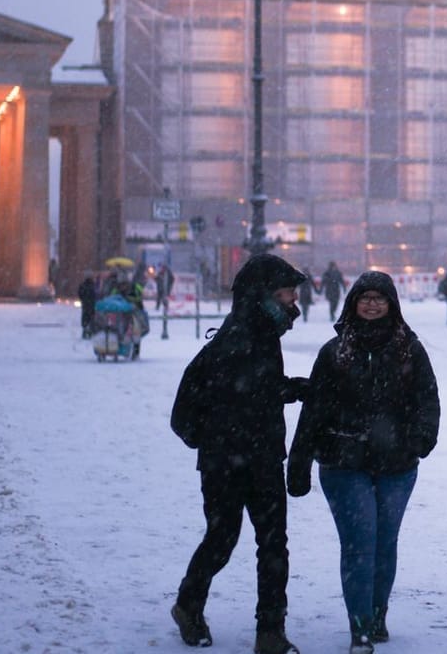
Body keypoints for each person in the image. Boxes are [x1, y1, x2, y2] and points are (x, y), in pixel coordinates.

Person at [288, 271, 440, 653]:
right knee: (359, 544)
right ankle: (359, 627)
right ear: (353, 303)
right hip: (344, 462)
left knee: (384, 543)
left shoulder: (410, 349)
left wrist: (419, 441)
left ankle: (377, 613)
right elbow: (315, 408)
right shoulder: (334, 351)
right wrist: (300, 460)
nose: (372, 304)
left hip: (397, 464)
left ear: (392, 304)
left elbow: (428, 399)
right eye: (365, 297)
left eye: (380, 298)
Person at [169, 254, 311, 653]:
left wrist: (293, 388)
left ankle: (269, 631)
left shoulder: (262, 332)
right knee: (227, 538)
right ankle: (189, 605)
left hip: (259, 456)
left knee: (268, 543)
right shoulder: (239, 337)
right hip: (229, 460)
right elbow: (243, 394)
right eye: (286, 292)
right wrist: (294, 389)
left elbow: (257, 390)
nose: (292, 301)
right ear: (262, 294)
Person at [77, 271, 100, 339]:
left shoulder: (82, 285)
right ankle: (90, 331)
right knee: (91, 318)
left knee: (85, 317)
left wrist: (83, 299)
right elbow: (96, 294)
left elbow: (80, 294)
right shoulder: (93, 285)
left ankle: (85, 330)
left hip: (85, 304)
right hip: (92, 304)